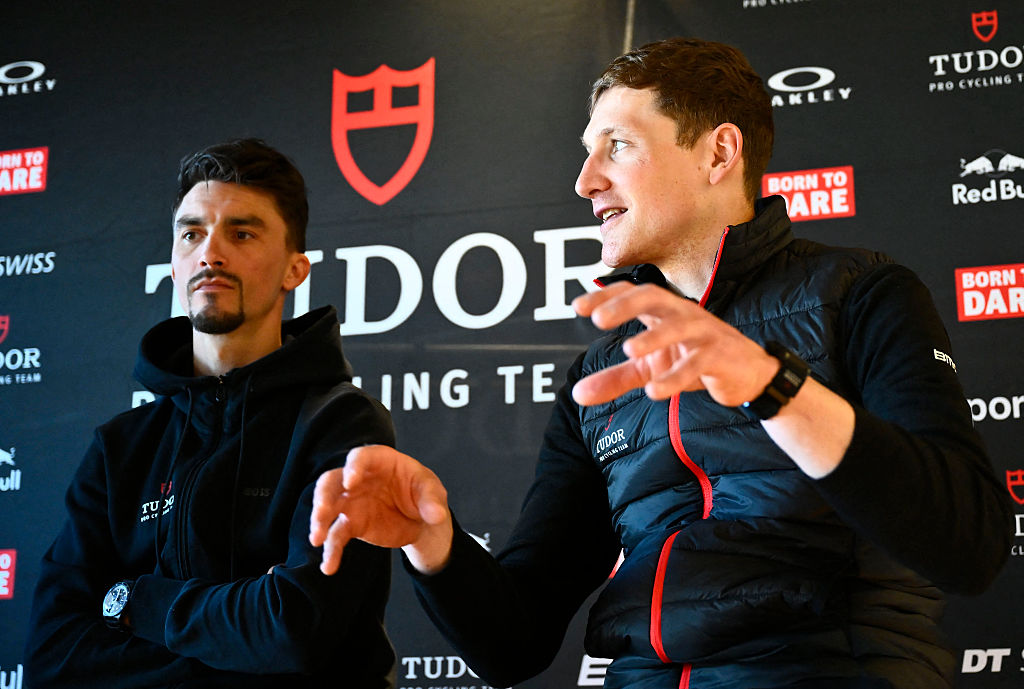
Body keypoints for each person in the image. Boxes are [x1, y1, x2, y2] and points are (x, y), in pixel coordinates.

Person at [308, 38, 1014, 689]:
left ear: (718, 154)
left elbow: (969, 545)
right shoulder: (604, 372)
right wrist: (435, 542)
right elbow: (514, 642)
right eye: (587, 151)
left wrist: (775, 388)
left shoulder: (861, 295)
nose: (585, 181)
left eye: (617, 147)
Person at [26, 139, 397, 688]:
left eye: (241, 233)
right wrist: (239, 637)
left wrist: (133, 602)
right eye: (192, 233)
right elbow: (52, 656)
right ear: (174, 262)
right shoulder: (121, 447)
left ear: (296, 270)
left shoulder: (343, 424)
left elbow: (295, 630)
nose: (210, 254)